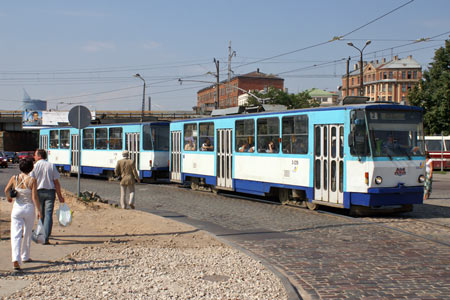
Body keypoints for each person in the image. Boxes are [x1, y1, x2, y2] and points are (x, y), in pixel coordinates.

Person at [5, 158, 41, 271]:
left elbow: (6, 190)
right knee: (27, 233)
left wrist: (9, 198)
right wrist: (39, 210)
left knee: (15, 234)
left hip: (17, 208)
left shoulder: (14, 178)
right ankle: (25, 256)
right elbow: (34, 197)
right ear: (31, 168)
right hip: (29, 208)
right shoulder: (32, 180)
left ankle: (15, 258)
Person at [30, 149, 65, 245]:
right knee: (49, 215)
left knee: (41, 213)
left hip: (38, 192)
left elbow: (31, 181)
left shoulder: (35, 166)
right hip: (50, 192)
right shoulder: (51, 165)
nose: (34, 157)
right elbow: (56, 182)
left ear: (39, 156)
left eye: (35, 155)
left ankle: (40, 235)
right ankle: (46, 238)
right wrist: (60, 196)